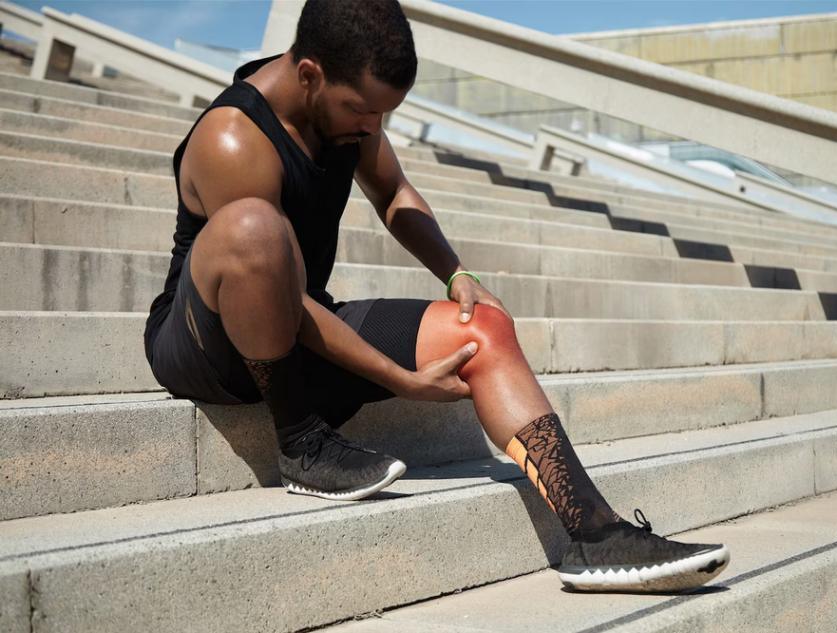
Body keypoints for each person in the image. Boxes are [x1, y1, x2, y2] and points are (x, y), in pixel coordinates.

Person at [142, 0, 729, 592]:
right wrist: (400, 380)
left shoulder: (345, 112)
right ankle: (301, 445)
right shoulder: (233, 136)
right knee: (254, 231)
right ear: (310, 75)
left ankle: (595, 534)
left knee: (484, 329)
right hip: (206, 346)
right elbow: (281, 296)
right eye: (362, 109)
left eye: (383, 114)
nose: (372, 127)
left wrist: (455, 274)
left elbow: (394, 192)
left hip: (304, 322)